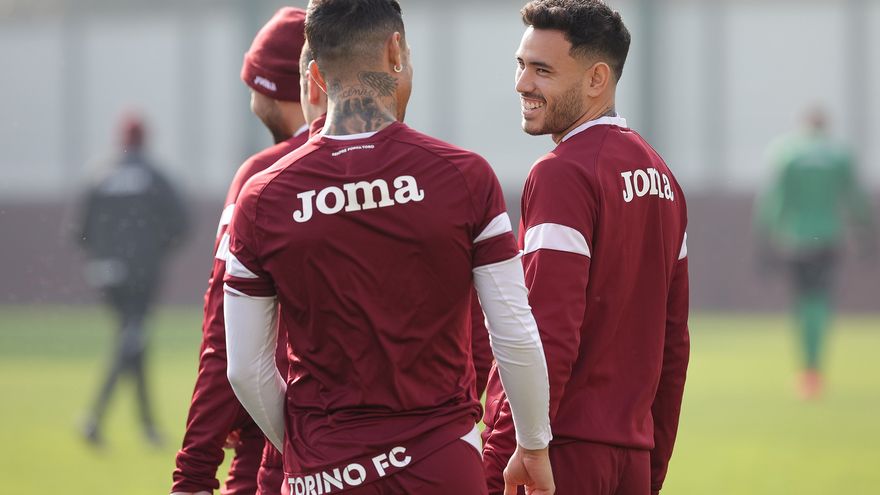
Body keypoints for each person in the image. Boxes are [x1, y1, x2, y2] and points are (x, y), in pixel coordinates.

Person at [222, 1, 554, 494]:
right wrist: (533, 445)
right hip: (441, 466)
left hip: (323, 474)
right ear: (395, 52)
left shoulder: (263, 197)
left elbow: (245, 370)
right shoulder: (463, 176)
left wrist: (307, 448)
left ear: (316, 75)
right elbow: (514, 332)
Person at [481, 1, 690, 494]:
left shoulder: (563, 173)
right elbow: (674, 344)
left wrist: (501, 459)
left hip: (556, 457)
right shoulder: (663, 177)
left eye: (542, 70)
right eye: (520, 65)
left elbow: (545, 333)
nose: (522, 83)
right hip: (631, 459)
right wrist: (651, 466)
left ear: (597, 78)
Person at [171, 8, 315, 495]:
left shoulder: (264, 176)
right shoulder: (400, 169)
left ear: (274, 88)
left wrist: (193, 473)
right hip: (391, 446)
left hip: (276, 441)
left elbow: (225, 338)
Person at [77, 112, 189, 447]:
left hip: (106, 276)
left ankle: (147, 427)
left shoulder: (99, 175)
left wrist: (103, 254)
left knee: (133, 340)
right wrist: (155, 252)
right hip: (142, 275)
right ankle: (94, 417)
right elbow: (182, 223)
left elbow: (79, 231)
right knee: (131, 340)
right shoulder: (154, 177)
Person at [754, 106, 876, 400]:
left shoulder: (787, 153)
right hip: (828, 237)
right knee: (821, 301)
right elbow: (856, 199)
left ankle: (806, 370)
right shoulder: (839, 155)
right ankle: (816, 368)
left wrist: (765, 238)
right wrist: (867, 232)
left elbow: (774, 200)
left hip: (795, 238)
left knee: (801, 303)